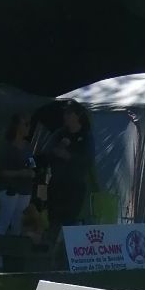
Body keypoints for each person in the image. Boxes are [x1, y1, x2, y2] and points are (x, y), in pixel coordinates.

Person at [45, 102, 95, 240]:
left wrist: (69, 156)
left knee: (70, 221)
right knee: (54, 220)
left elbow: (89, 160)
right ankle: (49, 254)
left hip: (75, 186)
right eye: (64, 113)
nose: (65, 116)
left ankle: (68, 255)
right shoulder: (59, 133)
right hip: (56, 184)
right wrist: (58, 149)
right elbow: (46, 152)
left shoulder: (86, 136)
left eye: (69, 113)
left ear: (77, 115)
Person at [0, 113, 36, 270]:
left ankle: (14, 258)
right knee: (3, 223)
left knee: (18, 225)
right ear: (17, 126)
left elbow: (33, 166)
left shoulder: (28, 147)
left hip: (25, 190)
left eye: (29, 124)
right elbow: (0, 171)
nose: (28, 127)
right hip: (9, 190)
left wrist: (31, 173)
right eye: (25, 123)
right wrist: (20, 173)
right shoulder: (6, 146)